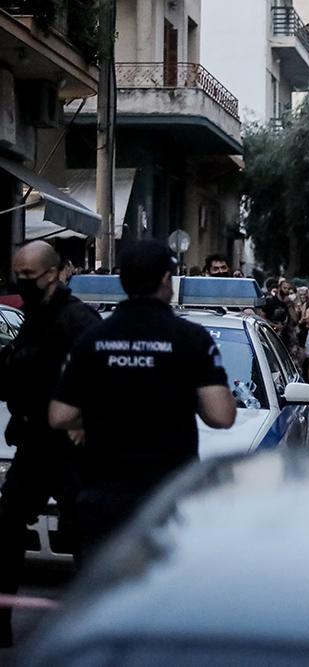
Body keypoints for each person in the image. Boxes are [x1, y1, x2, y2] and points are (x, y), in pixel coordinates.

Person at [48, 240, 235, 561]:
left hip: (104, 494)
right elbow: (221, 415)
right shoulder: (192, 339)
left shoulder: (94, 338)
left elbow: (60, 416)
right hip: (168, 496)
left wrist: (105, 411)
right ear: (166, 280)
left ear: (124, 281)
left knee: (105, 587)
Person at [0, 242, 100, 647]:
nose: (22, 282)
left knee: (82, 535)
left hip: (71, 449)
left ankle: (93, 628)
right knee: (7, 527)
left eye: (29, 275)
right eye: (18, 274)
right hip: (34, 443)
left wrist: (84, 421)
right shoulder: (32, 317)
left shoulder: (78, 319)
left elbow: (102, 377)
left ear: (55, 273)